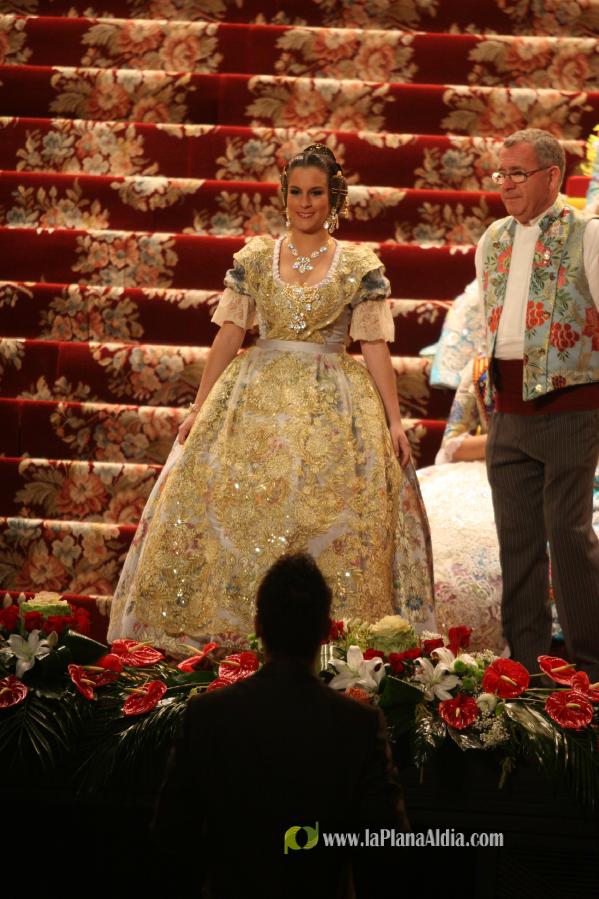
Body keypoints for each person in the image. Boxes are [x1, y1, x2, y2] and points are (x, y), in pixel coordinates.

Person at [107, 143, 435, 655]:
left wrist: (394, 422)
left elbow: (374, 344)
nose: (305, 203)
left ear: (334, 198)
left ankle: (331, 642)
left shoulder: (358, 265)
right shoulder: (256, 258)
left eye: (316, 193)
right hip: (252, 399)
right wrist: (199, 407)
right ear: (284, 196)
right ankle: (229, 636)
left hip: (334, 406)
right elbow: (229, 335)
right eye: (296, 192)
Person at [153, 552, 410, 898]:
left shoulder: (206, 714)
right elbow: (386, 851)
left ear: (258, 626)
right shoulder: (359, 724)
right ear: (326, 631)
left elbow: (172, 841)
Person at [476, 127, 599, 678]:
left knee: (569, 537)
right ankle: (524, 670)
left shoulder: (587, 234)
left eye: (517, 174)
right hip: (508, 410)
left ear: (553, 177)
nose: (506, 184)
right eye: (501, 174)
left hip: (570, 407)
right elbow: (493, 326)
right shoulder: (493, 239)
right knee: (517, 542)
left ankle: (590, 669)